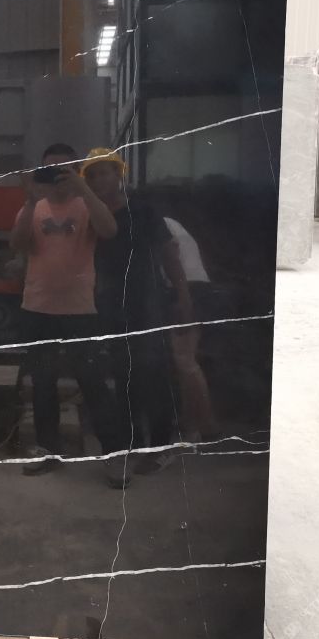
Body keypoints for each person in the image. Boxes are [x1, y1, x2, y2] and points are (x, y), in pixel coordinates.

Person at [9, 143, 129, 487]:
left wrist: (84, 189)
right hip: (38, 308)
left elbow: (109, 230)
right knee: (42, 384)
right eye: (52, 169)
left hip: (80, 311)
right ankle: (48, 451)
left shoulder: (86, 205)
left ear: (76, 170)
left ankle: (114, 456)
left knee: (93, 382)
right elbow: (17, 245)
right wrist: (30, 200)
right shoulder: (34, 207)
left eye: (66, 168)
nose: (58, 175)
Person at [81, 148, 193, 473]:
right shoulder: (91, 216)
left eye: (105, 173)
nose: (100, 180)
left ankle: (161, 446)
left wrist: (183, 295)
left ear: (119, 174)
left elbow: (169, 253)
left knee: (154, 372)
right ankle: (133, 443)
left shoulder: (142, 211)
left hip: (147, 299)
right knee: (123, 374)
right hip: (110, 302)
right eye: (93, 175)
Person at [162, 216, 218, 442]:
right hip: (191, 287)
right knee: (183, 361)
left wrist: (183, 300)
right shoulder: (172, 223)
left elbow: (173, 257)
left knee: (184, 360)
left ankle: (208, 426)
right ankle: (191, 425)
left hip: (185, 288)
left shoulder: (159, 223)